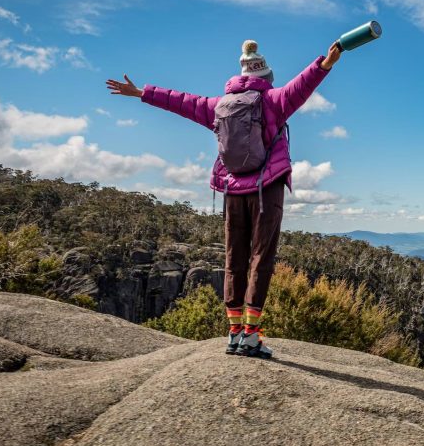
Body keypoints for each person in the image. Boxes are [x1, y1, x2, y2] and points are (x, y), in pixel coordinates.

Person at [106, 40, 341, 358]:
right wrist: (324, 64)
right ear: (265, 76)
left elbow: (180, 101)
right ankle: (251, 336)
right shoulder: (273, 100)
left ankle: (233, 334)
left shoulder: (218, 105)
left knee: (234, 259)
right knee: (261, 259)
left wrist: (142, 92)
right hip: (265, 188)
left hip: (232, 189)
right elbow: (303, 85)